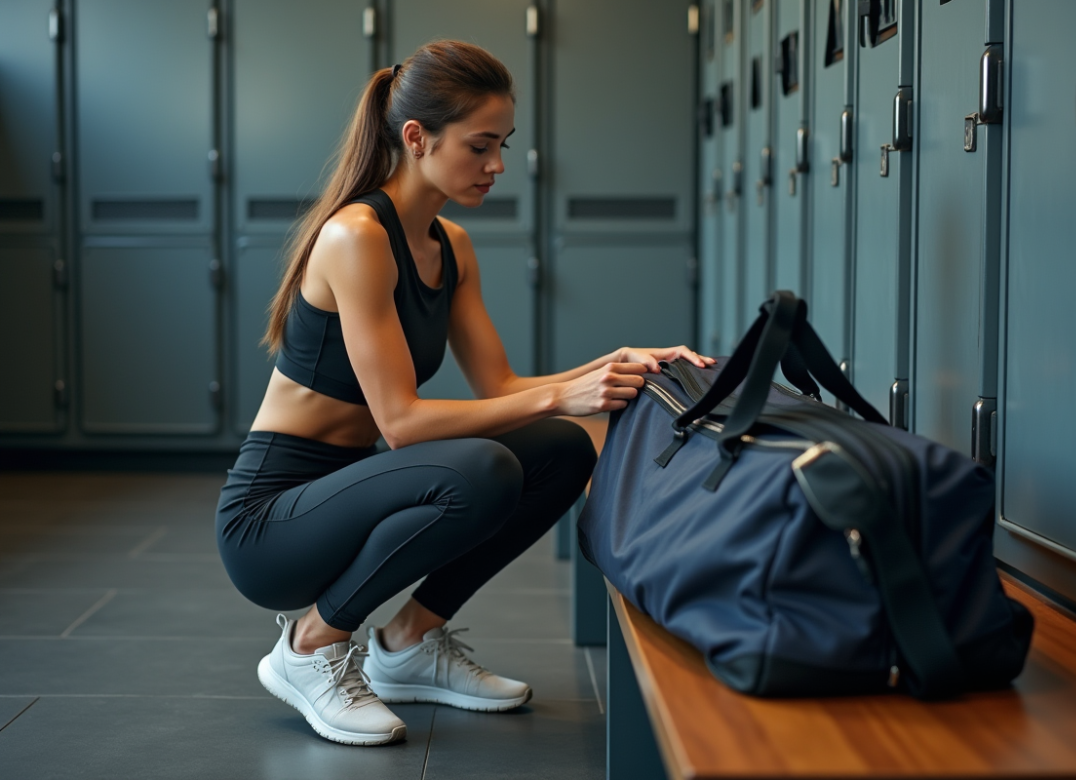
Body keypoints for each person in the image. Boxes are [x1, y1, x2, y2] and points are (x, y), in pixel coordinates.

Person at [215, 40, 713, 747]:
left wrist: (616, 363)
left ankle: (411, 643)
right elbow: (403, 423)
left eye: (503, 144)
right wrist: (567, 394)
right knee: (485, 467)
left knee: (562, 450)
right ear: (417, 138)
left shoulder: (451, 244)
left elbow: (502, 387)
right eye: (480, 146)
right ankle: (307, 649)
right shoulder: (355, 236)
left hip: (351, 488)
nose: (498, 166)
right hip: (272, 523)